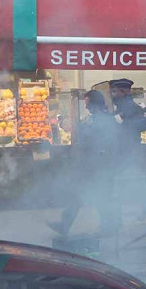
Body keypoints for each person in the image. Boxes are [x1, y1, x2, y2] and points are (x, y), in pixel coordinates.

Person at [48, 90, 118, 236]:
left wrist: (71, 125)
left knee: (95, 196)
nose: (86, 107)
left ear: (94, 103)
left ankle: (108, 227)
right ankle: (66, 225)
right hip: (97, 164)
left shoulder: (97, 120)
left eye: (87, 103)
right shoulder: (105, 118)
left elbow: (86, 135)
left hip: (96, 165)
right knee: (85, 195)